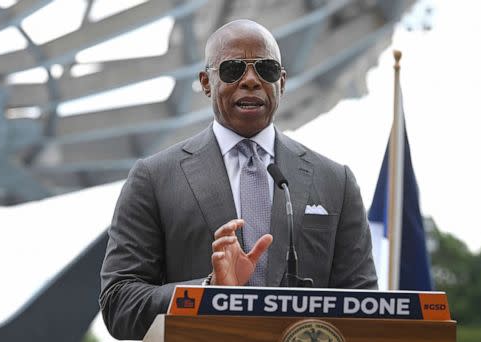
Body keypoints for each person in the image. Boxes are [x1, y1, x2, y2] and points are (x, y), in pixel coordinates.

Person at [99, 19, 377, 340]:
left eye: (266, 70)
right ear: (206, 82)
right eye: (232, 69)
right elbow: (119, 303)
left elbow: (365, 306)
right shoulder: (154, 178)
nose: (250, 80)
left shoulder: (335, 181)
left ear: (282, 82)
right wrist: (209, 291)